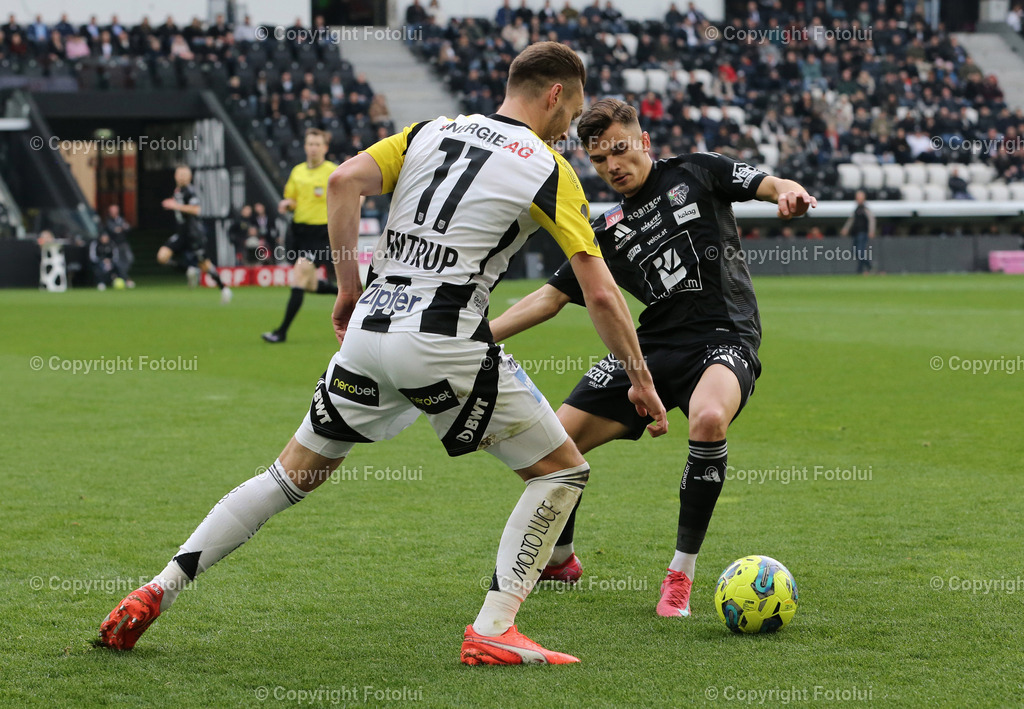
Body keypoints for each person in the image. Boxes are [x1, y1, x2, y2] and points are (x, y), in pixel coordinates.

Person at [97, 42, 667, 666]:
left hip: (371, 331)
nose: (569, 128)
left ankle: (159, 588)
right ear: (555, 94)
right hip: (444, 342)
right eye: (572, 111)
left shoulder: (431, 131)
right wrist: (638, 379)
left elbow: (343, 183)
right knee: (561, 471)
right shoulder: (547, 168)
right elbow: (602, 295)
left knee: (287, 478)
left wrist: (347, 290)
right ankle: (495, 627)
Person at [488, 98, 816, 617]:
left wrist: (789, 192)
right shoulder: (607, 228)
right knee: (550, 444)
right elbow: (549, 298)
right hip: (651, 349)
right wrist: (479, 334)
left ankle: (679, 576)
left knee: (708, 420)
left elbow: (768, 185)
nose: (612, 166)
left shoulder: (696, 171)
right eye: (598, 160)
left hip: (723, 337)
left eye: (619, 150)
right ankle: (561, 558)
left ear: (642, 141)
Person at [262, 129, 338, 343]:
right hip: (299, 232)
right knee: (310, 284)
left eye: (317, 144)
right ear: (305, 147)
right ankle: (346, 293)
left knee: (298, 276)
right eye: (310, 144)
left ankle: (281, 331)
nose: (313, 147)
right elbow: (293, 199)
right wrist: (288, 204)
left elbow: (349, 194)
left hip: (321, 233)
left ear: (325, 147)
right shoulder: (297, 172)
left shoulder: (333, 171)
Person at [156, 165, 233, 303]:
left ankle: (224, 288)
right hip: (181, 233)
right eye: (179, 174)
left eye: (184, 175)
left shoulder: (191, 191)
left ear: (190, 177)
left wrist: (175, 206)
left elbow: (196, 210)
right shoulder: (178, 191)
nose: (181, 177)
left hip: (194, 234)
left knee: (205, 265)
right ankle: (189, 270)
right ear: (175, 176)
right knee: (162, 256)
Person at [840, 190, 875, 274]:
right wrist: (846, 229)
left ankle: (868, 266)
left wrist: (871, 231)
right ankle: (861, 269)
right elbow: (851, 220)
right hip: (855, 233)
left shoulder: (865, 209)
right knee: (855, 251)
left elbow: (872, 220)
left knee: (860, 251)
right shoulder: (856, 209)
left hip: (863, 233)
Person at [105, 204, 135, 288]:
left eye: (115, 210)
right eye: (112, 210)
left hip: (124, 244)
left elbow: (128, 228)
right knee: (118, 262)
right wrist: (121, 228)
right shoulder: (108, 221)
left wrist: (121, 228)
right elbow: (114, 230)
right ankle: (125, 279)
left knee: (129, 260)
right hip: (115, 245)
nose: (114, 212)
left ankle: (120, 276)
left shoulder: (121, 219)